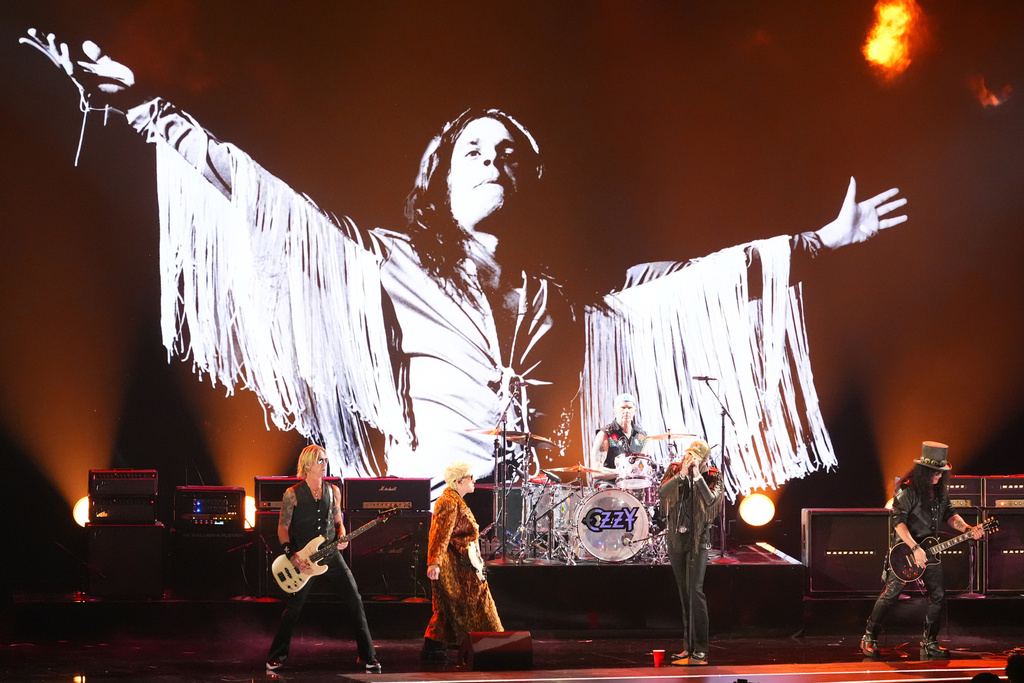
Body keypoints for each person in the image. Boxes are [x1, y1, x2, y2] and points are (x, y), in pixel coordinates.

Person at [20, 31, 910, 504]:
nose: (493, 160)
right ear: (438, 181)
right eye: (473, 149)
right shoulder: (390, 266)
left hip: (530, 523)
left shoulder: (566, 303)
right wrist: (146, 106)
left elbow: (684, 289)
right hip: (424, 508)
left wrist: (818, 243)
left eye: (511, 153)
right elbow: (266, 204)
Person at [859, 441, 985, 660]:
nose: (938, 477)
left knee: (938, 595)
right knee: (890, 595)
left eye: (941, 474)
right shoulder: (907, 491)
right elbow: (899, 522)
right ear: (924, 471)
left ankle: (930, 642)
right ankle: (869, 636)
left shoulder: (940, 492)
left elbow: (950, 515)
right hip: (904, 552)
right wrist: (915, 547)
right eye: (935, 473)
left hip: (931, 550)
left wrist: (967, 528)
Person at [266, 445, 380, 673]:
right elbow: (282, 529)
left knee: (355, 600)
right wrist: (292, 555)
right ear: (308, 463)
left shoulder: (333, 491)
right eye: (320, 460)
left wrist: (341, 537)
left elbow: (339, 522)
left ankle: (368, 656)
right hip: (304, 561)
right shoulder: (292, 494)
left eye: (326, 459)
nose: (324, 463)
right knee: (294, 607)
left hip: (332, 556)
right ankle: (276, 656)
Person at [422, 461, 502, 663]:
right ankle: (494, 644)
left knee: (458, 608)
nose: (474, 481)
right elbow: (439, 535)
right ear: (458, 481)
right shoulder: (448, 502)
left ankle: (490, 644)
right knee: (451, 608)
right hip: (454, 568)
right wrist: (434, 563)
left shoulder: (455, 500)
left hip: (464, 566)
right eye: (470, 478)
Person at [659, 439, 723, 666]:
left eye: (696, 458)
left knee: (695, 591)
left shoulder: (713, 476)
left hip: (699, 540)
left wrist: (697, 478)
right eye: (689, 455)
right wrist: (682, 475)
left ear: (706, 460)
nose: (690, 460)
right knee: (684, 592)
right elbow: (662, 493)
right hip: (676, 538)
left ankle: (702, 649)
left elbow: (711, 500)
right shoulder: (675, 469)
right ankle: (688, 648)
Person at [590, 393, 648, 472]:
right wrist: (623, 473)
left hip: (633, 481)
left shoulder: (642, 435)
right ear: (615, 410)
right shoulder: (605, 434)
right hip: (609, 482)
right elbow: (595, 471)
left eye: (630, 408)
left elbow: (645, 464)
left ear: (635, 411)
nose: (626, 411)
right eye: (623, 407)